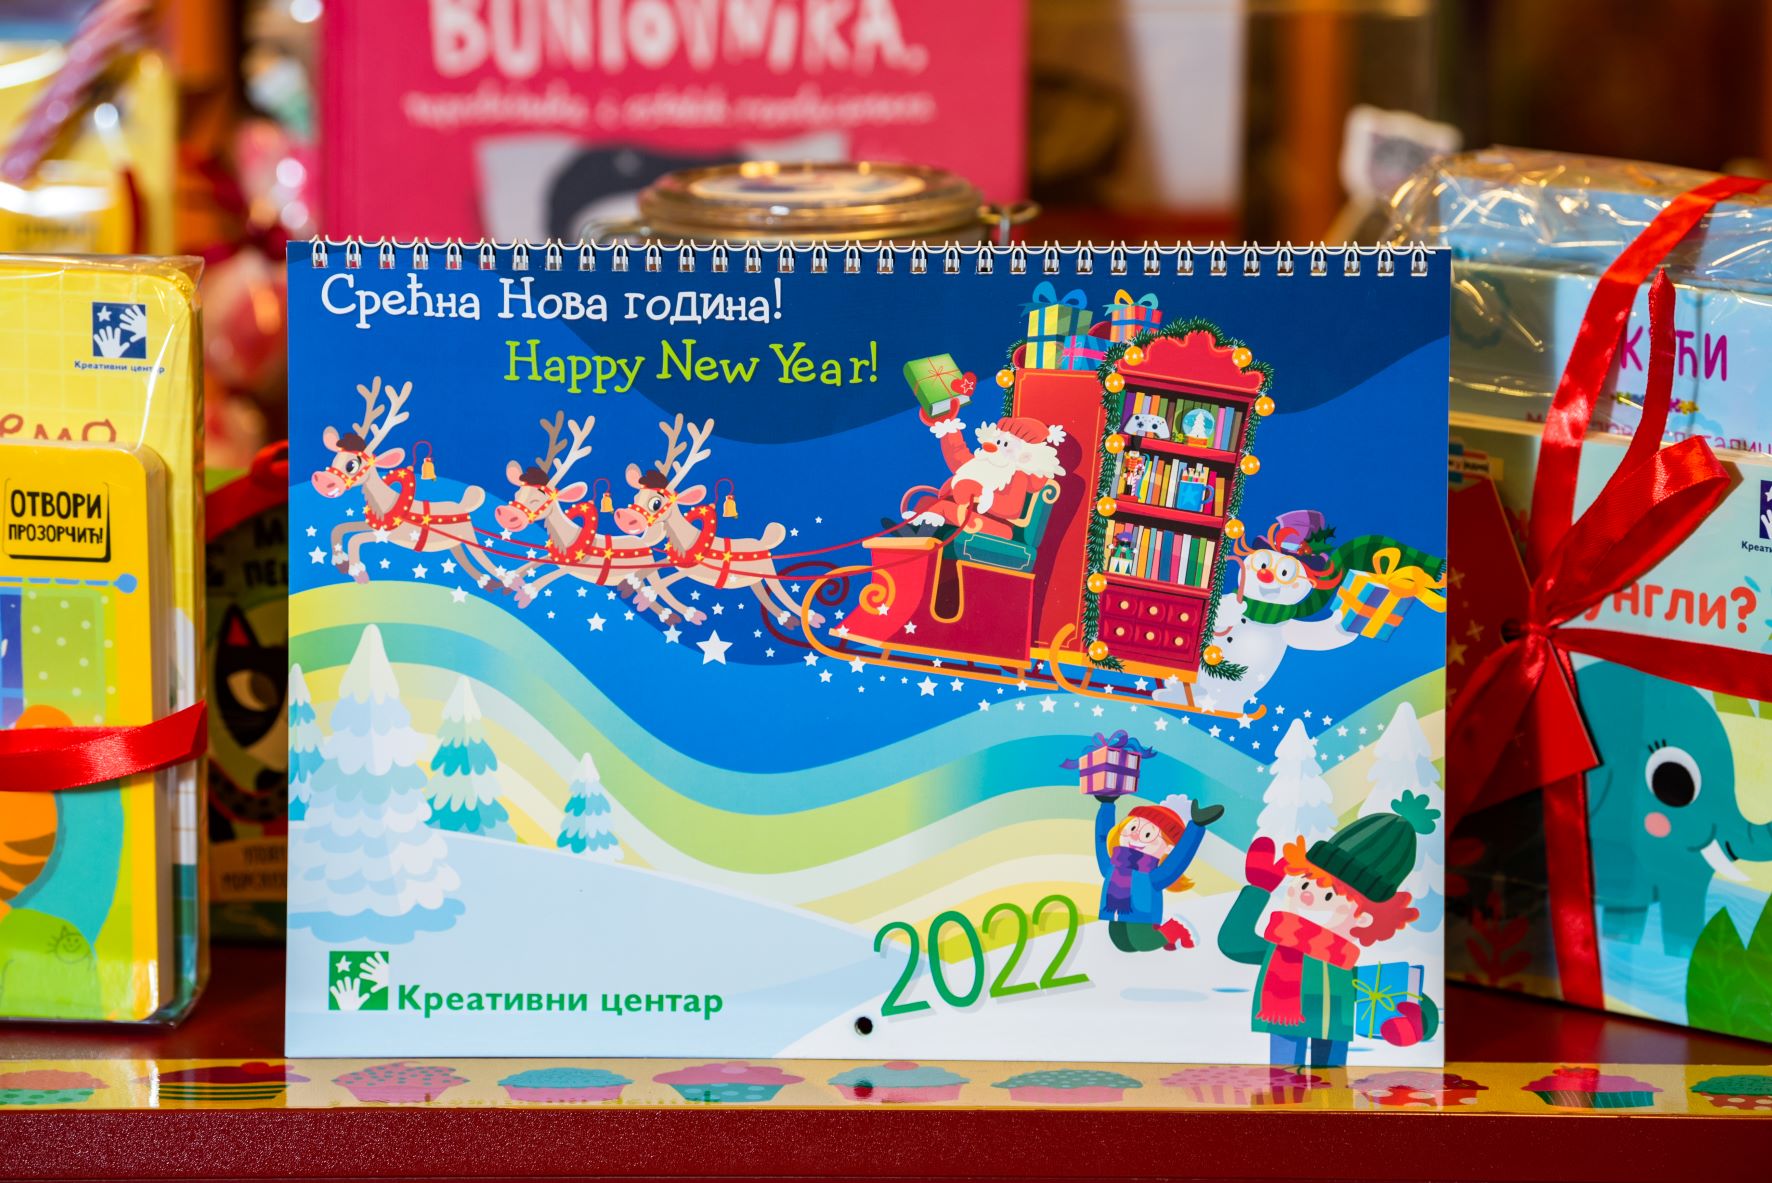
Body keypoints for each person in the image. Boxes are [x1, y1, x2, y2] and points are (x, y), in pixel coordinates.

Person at [1218, 792, 1440, 1066]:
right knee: (1284, 1079)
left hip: (1335, 1027)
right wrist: (1258, 890)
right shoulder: (1280, 946)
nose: (1306, 895)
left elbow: (1397, 992)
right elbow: (1234, 942)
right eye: (1305, 883)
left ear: (1363, 918)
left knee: (1333, 1080)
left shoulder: (1343, 967)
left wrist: (1420, 1019)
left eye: (1328, 895)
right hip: (1285, 1024)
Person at [1094, 795, 1223, 952]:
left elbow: (1177, 860)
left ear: (1168, 848)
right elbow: (1102, 841)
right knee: (1122, 944)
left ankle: (1176, 928)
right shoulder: (1111, 866)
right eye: (1132, 828)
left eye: (1147, 835)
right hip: (1114, 913)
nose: (1134, 836)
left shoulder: (1151, 876)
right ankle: (1164, 935)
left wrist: (1195, 827)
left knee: (1143, 943)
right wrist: (1107, 805)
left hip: (1143, 916)